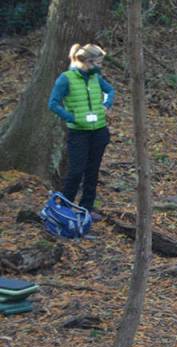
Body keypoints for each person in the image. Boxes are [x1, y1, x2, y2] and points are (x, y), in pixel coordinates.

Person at [48, 44, 115, 219]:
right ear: (87, 61)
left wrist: (106, 105)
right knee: (76, 171)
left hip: (99, 131)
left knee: (92, 172)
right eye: (98, 63)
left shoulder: (95, 78)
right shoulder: (66, 78)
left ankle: (86, 209)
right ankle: (64, 208)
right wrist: (72, 118)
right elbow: (53, 103)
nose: (100, 67)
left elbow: (110, 90)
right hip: (78, 134)